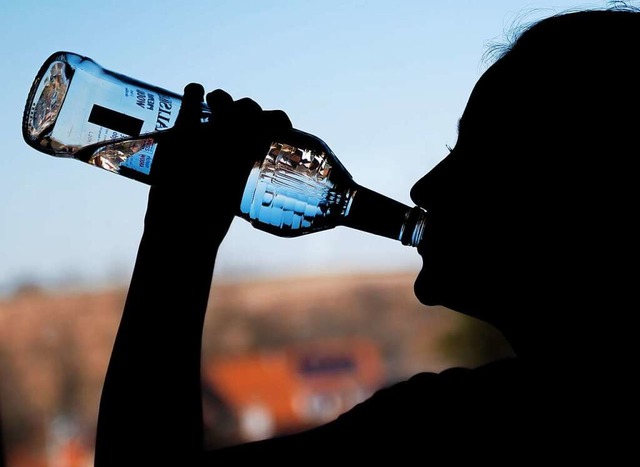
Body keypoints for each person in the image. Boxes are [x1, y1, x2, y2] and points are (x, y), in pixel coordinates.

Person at [93, 4, 639, 465]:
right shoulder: (445, 420)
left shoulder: (446, 432)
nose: (424, 186)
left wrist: (176, 242)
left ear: (577, 185)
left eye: (472, 156)